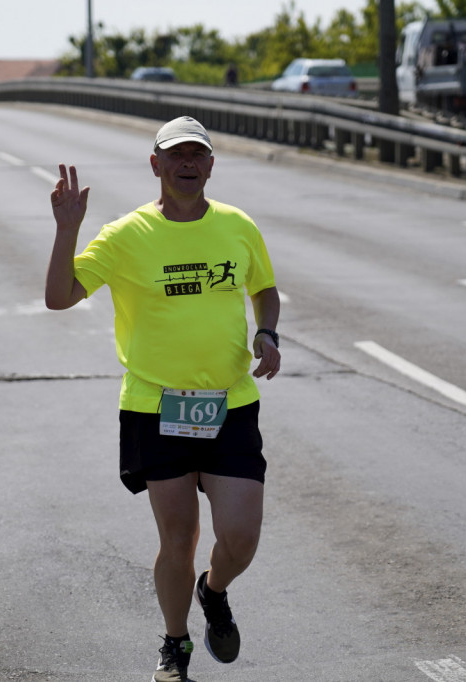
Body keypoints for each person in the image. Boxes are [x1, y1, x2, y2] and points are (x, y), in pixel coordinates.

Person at [45, 116, 281, 682]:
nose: (188, 164)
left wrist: (266, 334)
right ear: (156, 164)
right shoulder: (127, 234)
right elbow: (58, 297)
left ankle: (214, 590)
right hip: (155, 406)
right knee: (179, 536)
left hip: (230, 403)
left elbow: (264, 290)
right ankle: (175, 646)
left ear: (210, 165)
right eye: (176, 155)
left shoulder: (237, 225)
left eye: (197, 154)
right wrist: (66, 230)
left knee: (241, 538)